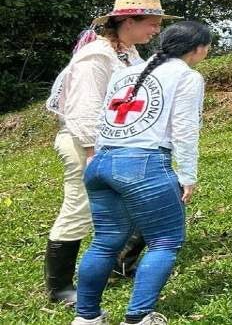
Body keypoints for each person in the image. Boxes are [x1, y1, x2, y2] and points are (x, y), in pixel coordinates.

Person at [71, 21, 211, 325]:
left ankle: (86, 317)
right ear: (198, 48)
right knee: (165, 241)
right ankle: (138, 317)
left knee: (105, 242)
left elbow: (103, 120)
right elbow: (186, 129)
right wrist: (187, 174)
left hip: (102, 163)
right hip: (143, 165)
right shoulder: (187, 76)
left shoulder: (124, 73)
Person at [44, 0, 175, 306]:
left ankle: (121, 262)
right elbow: (84, 109)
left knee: (138, 202)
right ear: (128, 22)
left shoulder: (128, 52)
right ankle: (59, 286)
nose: (157, 30)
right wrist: (93, 154)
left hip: (117, 143)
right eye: (152, 23)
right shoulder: (96, 57)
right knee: (80, 209)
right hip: (84, 142)